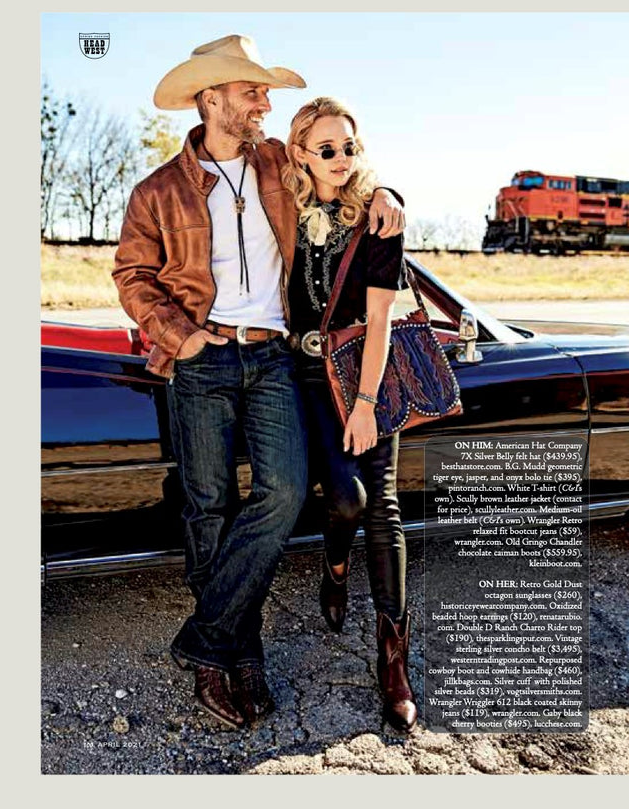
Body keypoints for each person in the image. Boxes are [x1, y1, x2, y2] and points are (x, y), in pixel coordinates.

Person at [113, 36, 404, 730]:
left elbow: (348, 171)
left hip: (273, 358)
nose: (267, 104)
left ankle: (204, 639)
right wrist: (181, 336)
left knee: (279, 493)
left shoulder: (280, 160)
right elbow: (131, 275)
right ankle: (236, 659)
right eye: (254, 92)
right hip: (202, 360)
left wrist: (390, 194)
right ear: (212, 98)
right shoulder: (157, 190)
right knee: (208, 507)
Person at [282, 97, 418, 733]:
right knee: (345, 500)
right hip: (306, 376)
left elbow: (384, 318)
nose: (341, 159)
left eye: (350, 148)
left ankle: (394, 661)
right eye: (327, 149)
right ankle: (334, 564)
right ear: (301, 154)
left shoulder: (379, 219)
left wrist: (365, 405)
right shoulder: (282, 207)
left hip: (367, 371)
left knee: (382, 505)